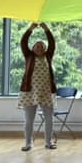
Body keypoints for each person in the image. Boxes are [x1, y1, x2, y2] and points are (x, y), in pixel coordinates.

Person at [18, 22, 57, 151]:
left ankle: (48, 142)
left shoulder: (48, 56)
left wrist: (46, 29)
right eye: (37, 46)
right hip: (30, 92)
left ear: (45, 49)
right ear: (33, 48)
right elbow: (23, 41)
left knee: (49, 119)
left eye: (42, 46)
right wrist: (30, 29)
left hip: (46, 92)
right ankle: (28, 143)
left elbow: (52, 43)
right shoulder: (29, 56)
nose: (39, 48)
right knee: (29, 119)